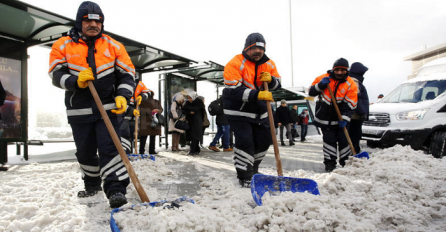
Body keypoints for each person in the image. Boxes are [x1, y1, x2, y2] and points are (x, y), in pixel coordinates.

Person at [48, 1, 136, 208]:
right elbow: (55, 74)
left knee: (109, 148)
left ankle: (115, 189)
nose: (93, 25)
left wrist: (123, 95)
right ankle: (92, 183)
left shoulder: (114, 46)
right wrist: (75, 82)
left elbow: (128, 74)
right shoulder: (62, 45)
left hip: (108, 109)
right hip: (78, 110)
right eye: (88, 20)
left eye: (98, 21)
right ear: (80, 21)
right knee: (85, 151)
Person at [223, 32, 282, 187]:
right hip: (238, 111)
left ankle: (253, 169)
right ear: (247, 48)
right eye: (254, 48)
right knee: (245, 142)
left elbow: (278, 84)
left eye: (261, 49)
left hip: (260, 111)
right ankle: (245, 176)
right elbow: (231, 90)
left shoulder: (269, 64)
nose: (258, 51)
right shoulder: (235, 63)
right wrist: (257, 94)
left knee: (264, 140)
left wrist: (271, 80)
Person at [308, 58, 358, 172]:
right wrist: (320, 85)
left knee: (344, 141)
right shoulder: (322, 78)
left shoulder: (350, 84)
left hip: (341, 119)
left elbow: (351, 103)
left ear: (347, 70)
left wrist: (345, 118)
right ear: (333, 69)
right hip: (325, 119)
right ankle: (330, 164)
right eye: (337, 70)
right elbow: (311, 92)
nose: (339, 72)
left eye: (343, 70)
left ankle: (345, 163)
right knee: (329, 141)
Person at [120, 81, 150, 154]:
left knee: (131, 134)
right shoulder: (121, 80)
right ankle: (125, 153)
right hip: (123, 112)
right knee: (124, 134)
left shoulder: (139, 83)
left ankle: (129, 152)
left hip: (134, 110)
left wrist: (142, 96)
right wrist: (130, 109)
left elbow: (148, 93)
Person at [348, 62, 370, 153]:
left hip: (354, 116)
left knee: (354, 136)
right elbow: (356, 97)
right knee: (354, 136)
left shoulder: (353, 80)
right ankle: (354, 153)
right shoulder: (354, 81)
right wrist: (362, 111)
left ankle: (354, 152)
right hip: (355, 116)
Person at [139, 90, 163, 155]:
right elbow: (161, 109)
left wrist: (157, 110)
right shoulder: (142, 102)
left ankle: (143, 151)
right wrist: (155, 111)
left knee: (145, 137)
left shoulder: (155, 101)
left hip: (149, 121)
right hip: (148, 120)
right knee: (148, 136)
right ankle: (150, 150)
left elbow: (161, 109)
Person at [182, 91, 205, 156]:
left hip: (197, 121)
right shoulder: (187, 102)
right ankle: (196, 149)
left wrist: (188, 109)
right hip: (190, 121)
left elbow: (195, 108)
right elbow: (183, 110)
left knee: (195, 136)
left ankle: (192, 150)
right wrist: (189, 112)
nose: (189, 99)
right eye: (188, 98)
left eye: (190, 98)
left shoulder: (199, 102)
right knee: (193, 136)